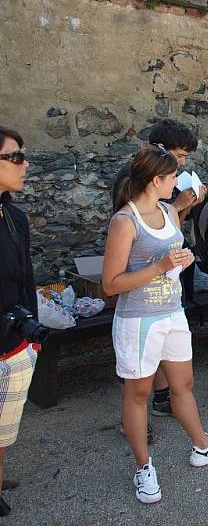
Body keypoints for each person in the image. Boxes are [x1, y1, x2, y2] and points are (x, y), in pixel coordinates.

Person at [102, 145, 208, 504]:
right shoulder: (124, 221)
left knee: (184, 384)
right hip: (138, 321)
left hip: (172, 313)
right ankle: (143, 467)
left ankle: (202, 445)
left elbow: (171, 258)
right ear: (156, 179)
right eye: (174, 176)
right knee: (139, 394)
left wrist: (182, 260)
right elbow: (111, 284)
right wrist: (160, 267)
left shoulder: (167, 210)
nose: (179, 182)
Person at [110, 119, 205, 424]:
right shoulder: (133, 180)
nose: (182, 165)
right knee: (136, 378)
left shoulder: (165, 185)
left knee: (167, 357)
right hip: (139, 296)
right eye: (179, 156)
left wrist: (183, 205)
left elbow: (169, 227)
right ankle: (137, 422)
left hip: (167, 291)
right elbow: (137, 230)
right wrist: (177, 203)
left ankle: (162, 399)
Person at [0, 127, 38, 517]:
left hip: (14, 342)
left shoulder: (14, 216)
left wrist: (32, 336)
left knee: (4, 428)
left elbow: (26, 279)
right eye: (15, 157)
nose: (25, 164)